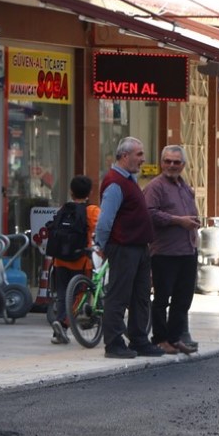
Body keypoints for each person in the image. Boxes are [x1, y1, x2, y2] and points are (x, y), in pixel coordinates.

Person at [93, 137, 163, 360]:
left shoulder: (129, 180)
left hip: (139, 247)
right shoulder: (115, 182)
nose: (143, 159)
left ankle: (139, 339)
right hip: (123, 247)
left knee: (141, 296)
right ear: (125, 156)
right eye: (139, 154)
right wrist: (102, 246)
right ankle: (113, 343)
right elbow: (105, 220)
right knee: (119, 296)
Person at [143, 144, 201, 355]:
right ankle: (160, 339)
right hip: (165, 253)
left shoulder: (184, 187)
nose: (171, 165)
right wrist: (178, 221)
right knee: (162, 299)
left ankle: (175, 338)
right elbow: (149, 214)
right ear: (161, 162)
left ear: (183, 165)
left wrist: (193, 222)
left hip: (187, 250)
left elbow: (189, 213)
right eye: (168, 161)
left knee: (183, 299)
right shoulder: (155, 187)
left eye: (176, 162)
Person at [47, 175, 98, 345]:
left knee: (62, 295)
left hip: (60, 260)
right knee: (80, 295)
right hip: (81, 260)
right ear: (90, 192)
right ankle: (63, 323)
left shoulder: (63, 208)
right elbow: (100, 232)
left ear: (71, 191)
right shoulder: (92, 211)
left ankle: (58, 332)